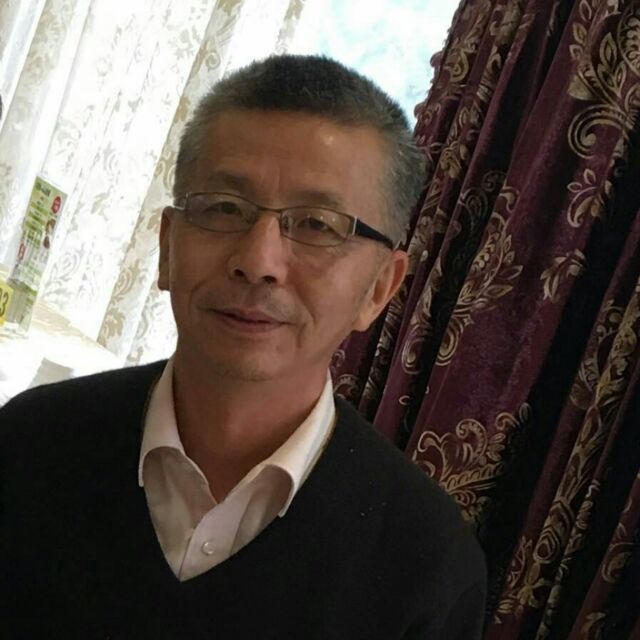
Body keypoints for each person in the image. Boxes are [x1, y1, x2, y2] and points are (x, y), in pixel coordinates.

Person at [0, 54, 486, 638]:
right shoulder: (30, 442)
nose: (258, 262)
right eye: (225, 209)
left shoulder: (426, 565)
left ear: (379, 288)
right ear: (168, 244)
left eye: (317, 224)